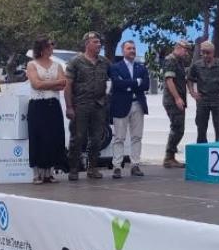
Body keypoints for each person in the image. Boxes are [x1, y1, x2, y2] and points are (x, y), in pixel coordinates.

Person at [65, 31, 111, 180]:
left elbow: (116, 77)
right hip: (80, 105)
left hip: (99, 105)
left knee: (97, 138)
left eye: (99, 42)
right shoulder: (75, 62)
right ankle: (73, 169)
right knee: (77, 138)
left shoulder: (104, 62)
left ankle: (92, 168)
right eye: (95, 42)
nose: (99, 45)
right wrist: (69, 107)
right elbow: (68, 85)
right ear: (87, 44)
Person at [26, 37, 67, 183]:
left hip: (53, 104)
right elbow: (36, 84)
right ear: (42, 48)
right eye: (50, 46)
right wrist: (54, 83)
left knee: (53, 137)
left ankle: (49, 172)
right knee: (38, 137)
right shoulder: (32, 64)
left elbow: (63, 84)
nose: (52, 48)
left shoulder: (57, 65)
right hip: (38, 105)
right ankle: (37, 173)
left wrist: (46, 83)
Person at [108, 40, 150, 178]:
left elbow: (145, 86)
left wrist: (129, 84)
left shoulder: (141, 68)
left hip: (137, 104)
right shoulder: (115, 67)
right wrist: (135, 82)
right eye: (129, 48)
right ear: (123, 51)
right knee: (119, 137)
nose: (132, 50)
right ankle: (117, 166)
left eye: (133, 48)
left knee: (137, 136)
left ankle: (135, 165)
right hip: (120, 104)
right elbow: (118, 83)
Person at [188, 41, 219, 143]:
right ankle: (202, 152)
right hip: (203, 100)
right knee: (201, 128)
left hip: (218, 100)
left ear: (213, 52)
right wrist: (193, 93)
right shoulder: (196, 65)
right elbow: (189, 79)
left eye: (208, 53)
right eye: (203, 52)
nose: (206, 55)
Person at [162, 40, 192, 168]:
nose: (186, 53)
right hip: (173, 100)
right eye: (185, 50)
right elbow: (169, 81)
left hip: (179, 99)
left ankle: (170, 156)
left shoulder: (179, 61)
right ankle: (169, 157)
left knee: (178, 128)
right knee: (177, 128)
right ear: (178, 48)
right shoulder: (170, 60)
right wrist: (177, 98)